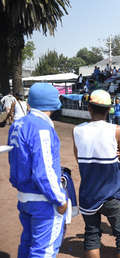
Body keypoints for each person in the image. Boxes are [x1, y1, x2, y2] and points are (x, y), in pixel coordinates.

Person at [8, 83, 68, 258]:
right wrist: (60, 199)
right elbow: (44, 170)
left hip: (24, 196)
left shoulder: (18, 124)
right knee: (44, 251)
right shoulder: (41, 127)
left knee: (27, 245)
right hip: (44, 200)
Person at [73, 90, 120, 258]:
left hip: (87, 194)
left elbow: (78, 158)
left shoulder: (77, 130)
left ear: (89, 108)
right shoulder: (117, 130)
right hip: (111, 194)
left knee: (91, 233)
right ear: (108, 110)